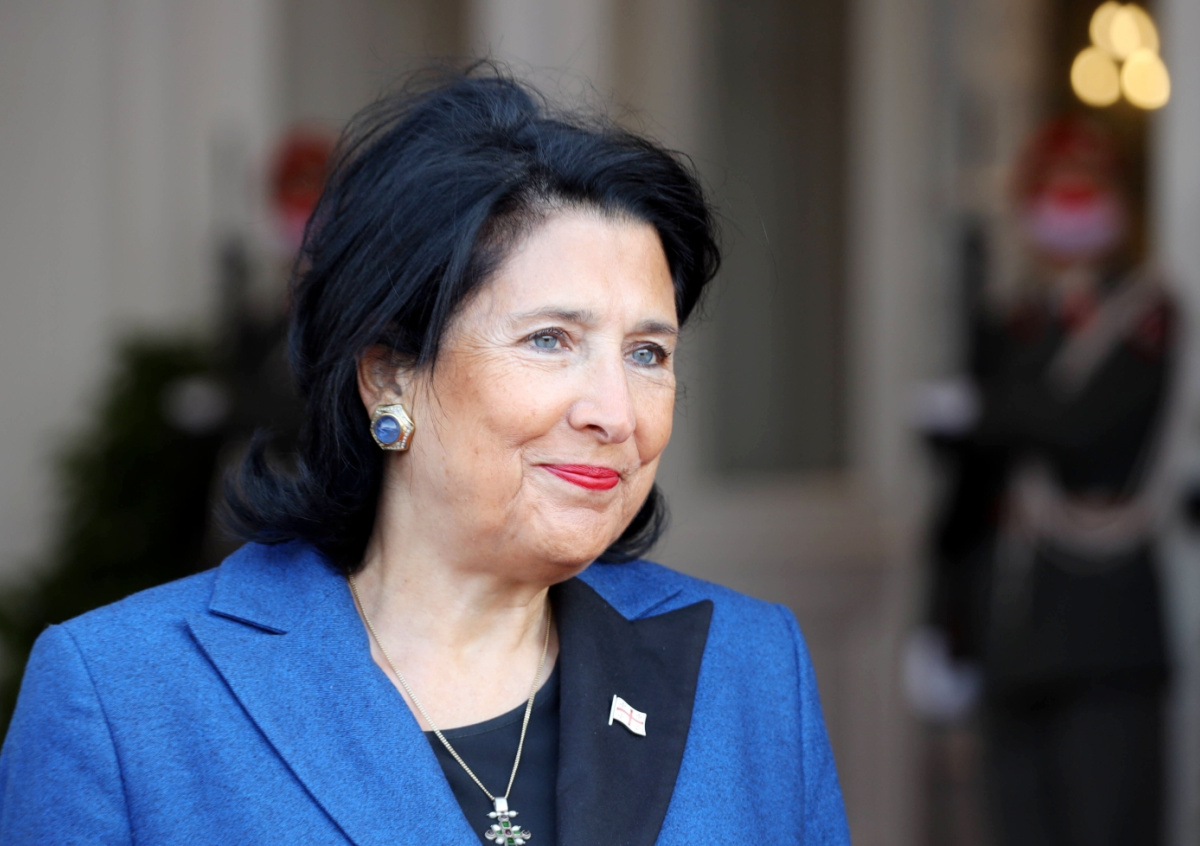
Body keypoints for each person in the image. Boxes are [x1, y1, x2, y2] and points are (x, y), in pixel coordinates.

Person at [0, 69, 849, 844]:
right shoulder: (122, 699)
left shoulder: (752, 665)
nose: (616, 413)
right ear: (387, 376)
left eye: (647, 354)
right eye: (551, 340)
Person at [923, 116, 1175, 846]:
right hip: (1011, 626)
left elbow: (1083, 430)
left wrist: (984, 416)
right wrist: (945, 622)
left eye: (1084, 190)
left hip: (1106, 634)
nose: (1068, 209)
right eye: (1053, 192)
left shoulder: (1145, 315)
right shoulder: (1009, 320)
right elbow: (970, 489)